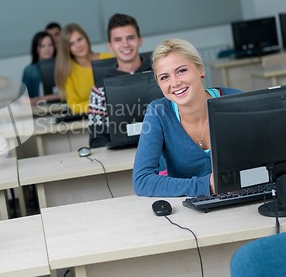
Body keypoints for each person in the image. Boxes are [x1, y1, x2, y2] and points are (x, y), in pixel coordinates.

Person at [132, 39, 241, 197]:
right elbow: (142, 181)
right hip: (189, 211)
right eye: (164, 77)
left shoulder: (236, 101)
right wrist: (205, 186)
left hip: (246, 203)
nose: (175, 83)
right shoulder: (158, 113)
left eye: (181, 71)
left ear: (200, 69)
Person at [88, 13, 152, 148]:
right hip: (121, 154)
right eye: (118, 40)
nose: (125, 44)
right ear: (110, 46)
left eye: (130, 38)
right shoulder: (99, 89)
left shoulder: (161, 75)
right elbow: (97, 139)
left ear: (140, 40)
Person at [54, 23, 113, 114]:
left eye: (79, 39)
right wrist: (99, 106)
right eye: (71, 44)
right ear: (67, 49)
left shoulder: (109, 58)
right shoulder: (67, 71)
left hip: (116, 111)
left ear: (86, 39)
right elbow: (74, 105)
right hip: (88, 117)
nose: (78, 45)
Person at [21, 31, 60, 105]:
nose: (47, 49)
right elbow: (22, 99)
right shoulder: (30, 71)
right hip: (41, 111)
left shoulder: (63, 66)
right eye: (42, 46)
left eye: (50, 45)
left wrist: (43, 98)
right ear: (36, 49)